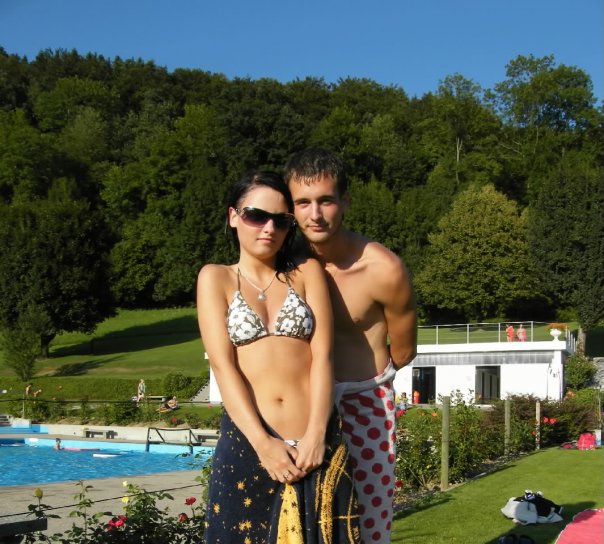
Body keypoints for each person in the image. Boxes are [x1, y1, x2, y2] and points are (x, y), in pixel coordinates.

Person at [196, 170, 361, 543]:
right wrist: (263, 444)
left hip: (316, 446)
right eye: (257, 216)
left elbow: (324, 357)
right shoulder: (215, 278)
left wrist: (316, 434)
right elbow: (223, 367)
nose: (269, 228)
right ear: (233, 216)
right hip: (249, 444)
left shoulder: (307, 273)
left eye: (281, 220)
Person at [285, 148, 417, 544]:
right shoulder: (283, 263)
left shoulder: (383, 269)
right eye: (303, 202)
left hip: (365, 402)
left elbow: (404, 351)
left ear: (344, 200)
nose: (315, 214)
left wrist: (362, 383)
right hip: (300, 404)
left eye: (325, 200)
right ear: (290, 208)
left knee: (369, 525)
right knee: (298, 521)